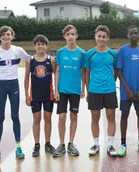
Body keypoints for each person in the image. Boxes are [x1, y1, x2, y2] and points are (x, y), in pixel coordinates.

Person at [0, 26, 29, 162]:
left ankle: (18, 147)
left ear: (12, 36)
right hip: (1, 86)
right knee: (0, 117)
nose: (6, 36)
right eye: (3, 35)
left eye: (8, 34)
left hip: (14, 84)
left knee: (15, 116)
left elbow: (30, 59)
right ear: (0, 37)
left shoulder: (18, 50)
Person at [116, 25, 139, 157]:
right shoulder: (122, 51)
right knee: (124, 115)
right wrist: (127, 89)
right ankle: (123, 144)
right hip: (126, 91)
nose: (134, 36)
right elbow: (118, 71)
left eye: (136, 33)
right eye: (131, 34)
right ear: (128, 35)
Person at [85, 25, 118, 157]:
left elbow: (116, 71)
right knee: (95, 117)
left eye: (104, 37)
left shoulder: (113, 54)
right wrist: (88, 90)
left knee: (111, 116)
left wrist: (111, 82)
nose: (101, 39)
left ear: (107, 38)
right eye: (99, 36)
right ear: (95, 37)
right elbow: (86, 73)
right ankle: (96, 144)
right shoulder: (89, 54)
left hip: (109, 89)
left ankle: (110, 145)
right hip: (94, 90)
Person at [53, 25, 85, 157]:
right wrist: (56, 90)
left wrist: (83, 89)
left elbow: (83, 71)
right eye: (68, 34)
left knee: (73, 116)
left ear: (76, 36)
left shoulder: (82, 53)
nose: (70, 36)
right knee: (61, 117)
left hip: (75, 91)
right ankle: (61, 144)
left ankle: (71, 143)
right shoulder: (60, 52)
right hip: (62, 90)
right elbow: (57, 71)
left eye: (73, 34)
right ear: (64, 36)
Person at [24, 35, 56, 157]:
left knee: (48, 118)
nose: (40, 46)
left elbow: (56, 76)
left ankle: (48, 143)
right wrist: (26, 94)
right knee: (36, 119)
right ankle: (36, 144)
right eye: (38, 44)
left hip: (48, 95)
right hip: (35, 95)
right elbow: (26, 78)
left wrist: (56, 92)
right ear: (34, 46)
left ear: (46, 46)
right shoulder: (30, 60)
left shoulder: (51, 60)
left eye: (43, 44)